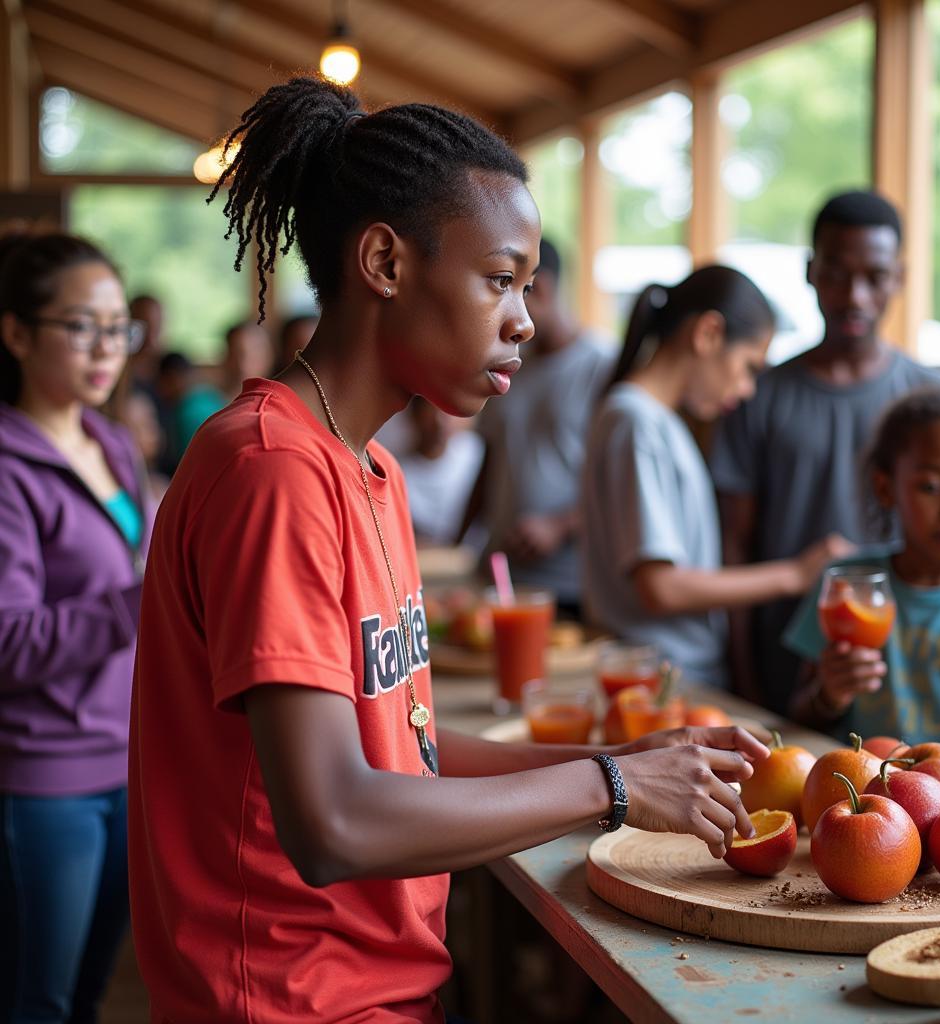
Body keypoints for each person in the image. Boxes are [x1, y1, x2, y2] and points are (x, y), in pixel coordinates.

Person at [129, 76, 770, 1024]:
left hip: (376, 985)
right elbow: (336, 820)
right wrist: (613, 785)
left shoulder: (369, 471)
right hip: (284, 998)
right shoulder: (272, 471)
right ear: (385, 261)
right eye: (500, 279)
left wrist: (622, 754)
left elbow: (405, 754)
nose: (522, 317)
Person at [711, 190, 940, 712]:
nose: (855, 296)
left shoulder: (935, 399)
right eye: (837, 273)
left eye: (874, 276)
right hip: (782, 666)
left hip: (910, 672)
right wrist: (744, 680)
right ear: (810, 271)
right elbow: (735, 542)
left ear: (900, 277)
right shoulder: (757, 395)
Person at [0, 232, 150, 1022]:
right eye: (82, 325)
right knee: (39, 1001)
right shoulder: (7, 467)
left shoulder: (108, 443)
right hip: (44, 774)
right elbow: (8, 640)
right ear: (17, 332)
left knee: (89, 990)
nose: (106, 348)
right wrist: (141, 601)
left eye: (119, 327)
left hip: (126, 760)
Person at [581, 267, 851, 689]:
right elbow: (661, 588)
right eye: (748, 367)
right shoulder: (636, 422)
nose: (746, 389)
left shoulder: (651, 421)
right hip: (662, 680)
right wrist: (795, 574)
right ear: (708, 333)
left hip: (666, 675)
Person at [785, 387, 940, 776]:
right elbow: (801, 718)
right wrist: (830, 694)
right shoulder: (847, 585)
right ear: (885, 487)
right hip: (855, 801)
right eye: (930, 486)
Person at [462, 237, 613, 616]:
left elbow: (620, 480)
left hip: (571, 586)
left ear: (539, 288)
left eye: (508, 291)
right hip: (501, 578)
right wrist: (461, 543)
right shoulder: (508, 365)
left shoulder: (604, 366)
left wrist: (560, 526)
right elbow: (491, 460)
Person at [396, 395, 484, 545]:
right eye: (431, 409)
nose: (440, 420)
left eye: (446, 411)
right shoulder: (398, 470)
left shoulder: (474, 453)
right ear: (414, 414)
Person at [155, 350, 226, 467]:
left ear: (172, 378)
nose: (160, 390)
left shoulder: (185, 412)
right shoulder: (211, 396)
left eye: (162, 383)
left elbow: (187, 464)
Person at [221, 318, 275, 397]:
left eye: (254, 356)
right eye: (236, 354)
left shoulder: (282, 402)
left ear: (269, 357)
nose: (243, 366)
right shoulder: (204, 403)